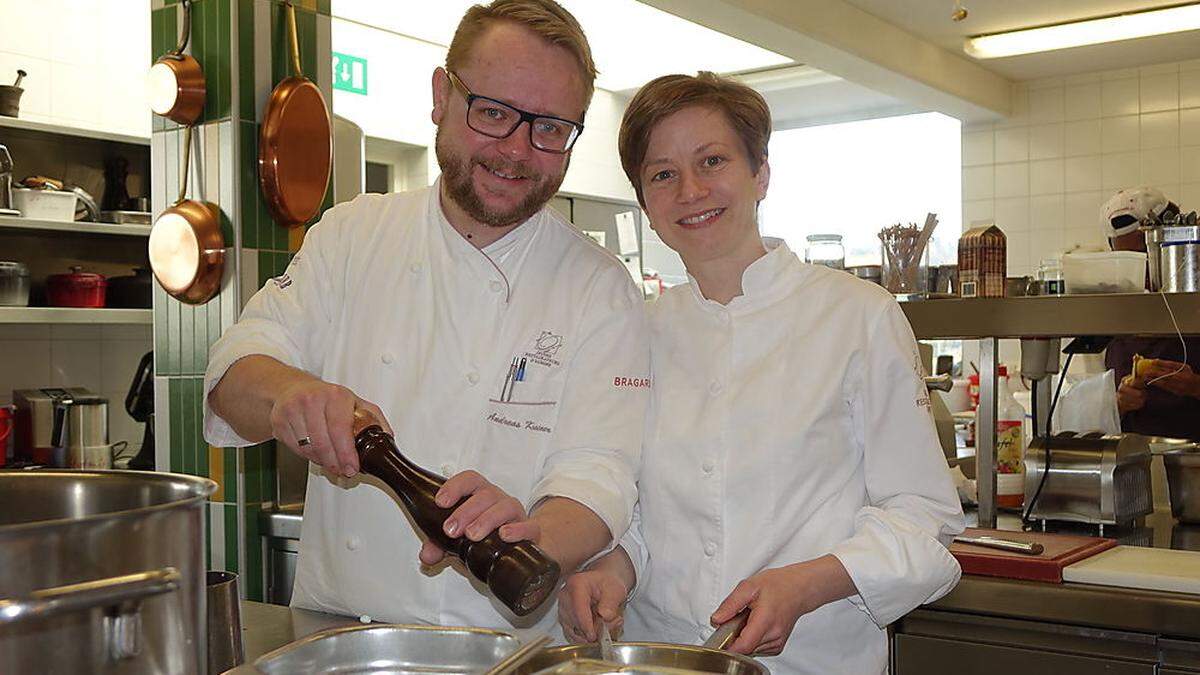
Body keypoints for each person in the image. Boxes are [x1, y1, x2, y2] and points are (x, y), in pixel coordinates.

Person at [203, 0, 650, 630]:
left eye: (550, 128)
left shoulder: (600, 287)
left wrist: (530, 538)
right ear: (442, 95)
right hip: (339, 632)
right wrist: (290, 394)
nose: (516, 151)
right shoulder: (352, 236)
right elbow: (232, 374)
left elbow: (600, 472)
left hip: (502, 650)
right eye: (492, 112)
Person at [556, 72, 965, 674]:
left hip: (812, 660)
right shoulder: (638, 331)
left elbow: (925, 516)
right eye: (662, 174)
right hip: (666, 659)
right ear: (645, 203)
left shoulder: (857, 316)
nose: (690, 190)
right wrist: (615, 566)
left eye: (712, 160)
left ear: (761, 174)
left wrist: (807, 583)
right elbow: (648, 510)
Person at [1101, 187, 1200, 439]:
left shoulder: (1193, 302)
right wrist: (1119, 404)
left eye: (1146, 255)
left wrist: (1195, 387)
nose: (1141, 270)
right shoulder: (1119, 315)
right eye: (1127, 259)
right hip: (1136, 465)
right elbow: (1102, 419)